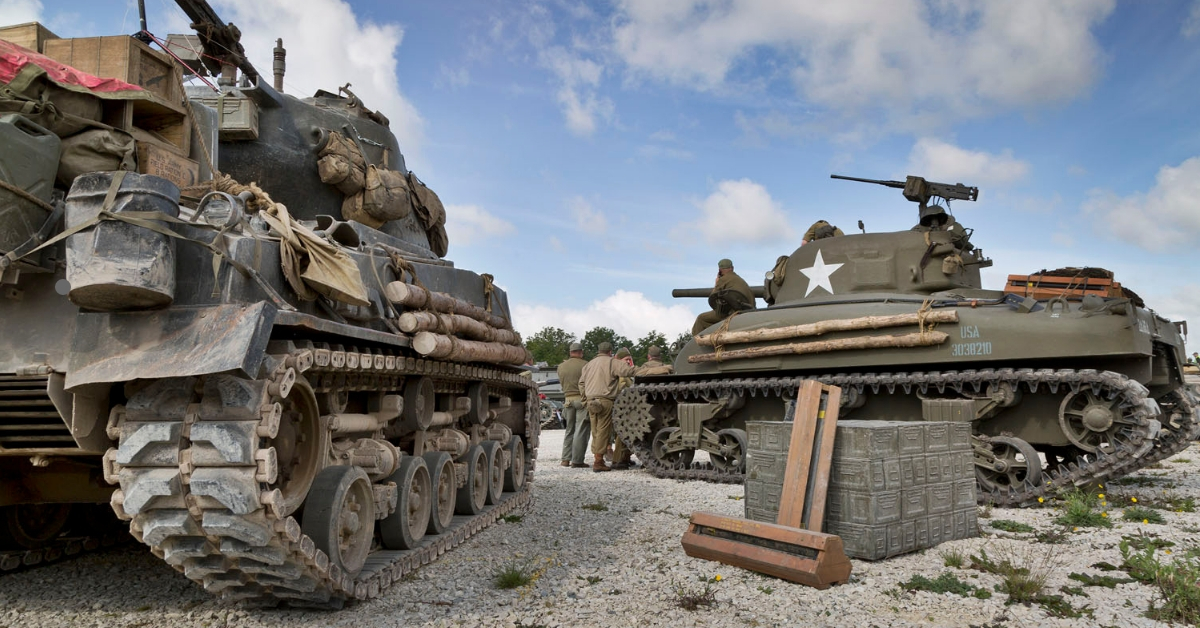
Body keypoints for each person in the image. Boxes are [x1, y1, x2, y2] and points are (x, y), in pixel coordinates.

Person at [580, 341, 635, 472]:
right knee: (604, 432)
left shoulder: (588, 364)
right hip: (605, 400)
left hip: (591, 400)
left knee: (596, 431)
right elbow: (629, 371)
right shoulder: (611, 362)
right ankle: (598, 462)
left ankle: (597, 457)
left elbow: (581, 383)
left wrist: (584, 400)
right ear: (610, 352)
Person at [691, 258, 756, 336]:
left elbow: (713, 297)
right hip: (748, 312)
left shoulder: (723, 280)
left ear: (720, 270)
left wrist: (717, 283)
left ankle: (698, 344)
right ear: (732, 268)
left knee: (701, 319)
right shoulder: (740, 280)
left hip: (733, 313)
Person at [556, 342, 590, 468]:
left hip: (567, 400)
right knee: (581, 430)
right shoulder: (586, 365)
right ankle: (577, 460)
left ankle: (565, 459)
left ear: (570, 352)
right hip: (581, 399)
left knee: (569, 430)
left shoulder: (561, 366)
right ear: (581, 352)